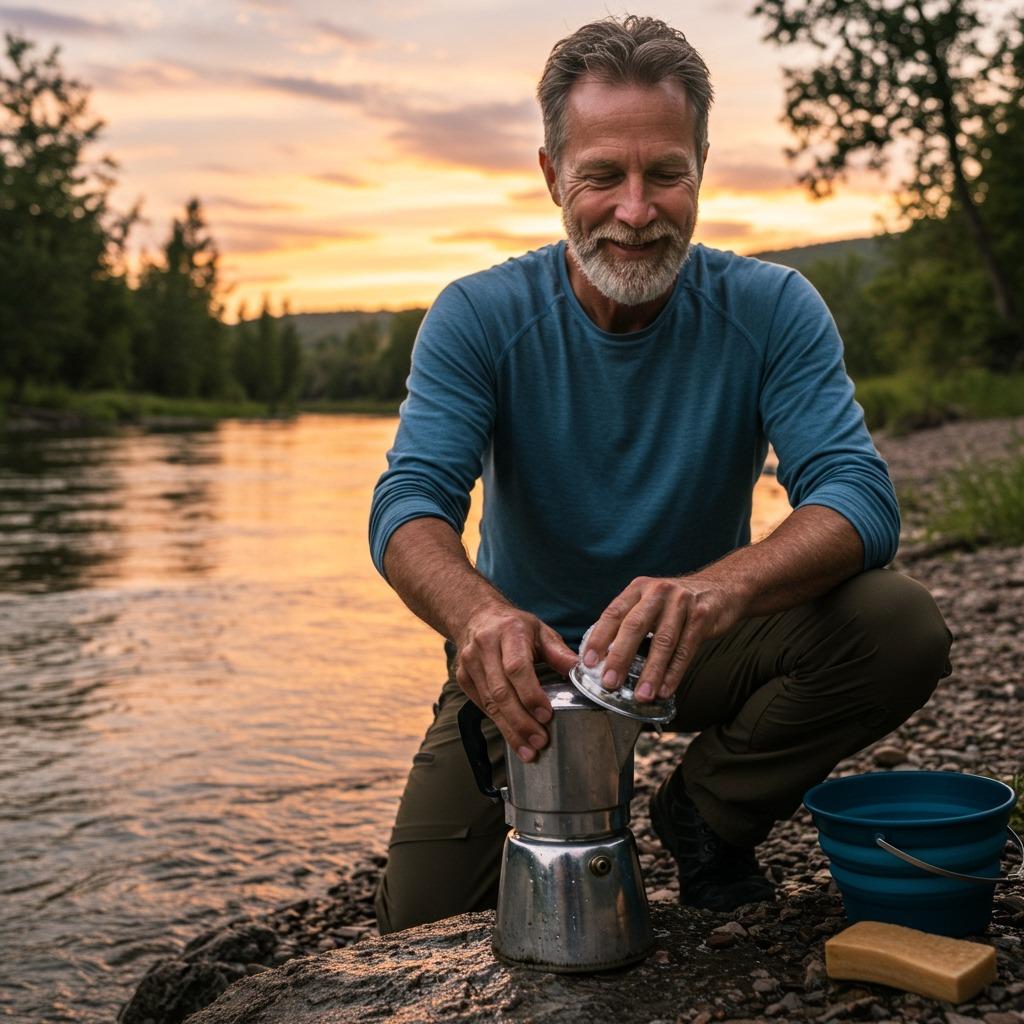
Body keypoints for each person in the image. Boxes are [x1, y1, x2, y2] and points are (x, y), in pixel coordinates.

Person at [368, 14, 951, 933]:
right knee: (419, 925)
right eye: (602, 175)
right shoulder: (477, 316)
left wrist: (715, 592)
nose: (636, 211)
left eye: (665, 174)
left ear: (702, 168)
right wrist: (480, 618)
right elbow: (407, 507)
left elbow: (858, 497)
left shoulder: (774, 307)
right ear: (553, 175)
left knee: (899, 622)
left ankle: (705, 817)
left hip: (699, 647)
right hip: (534, 667)